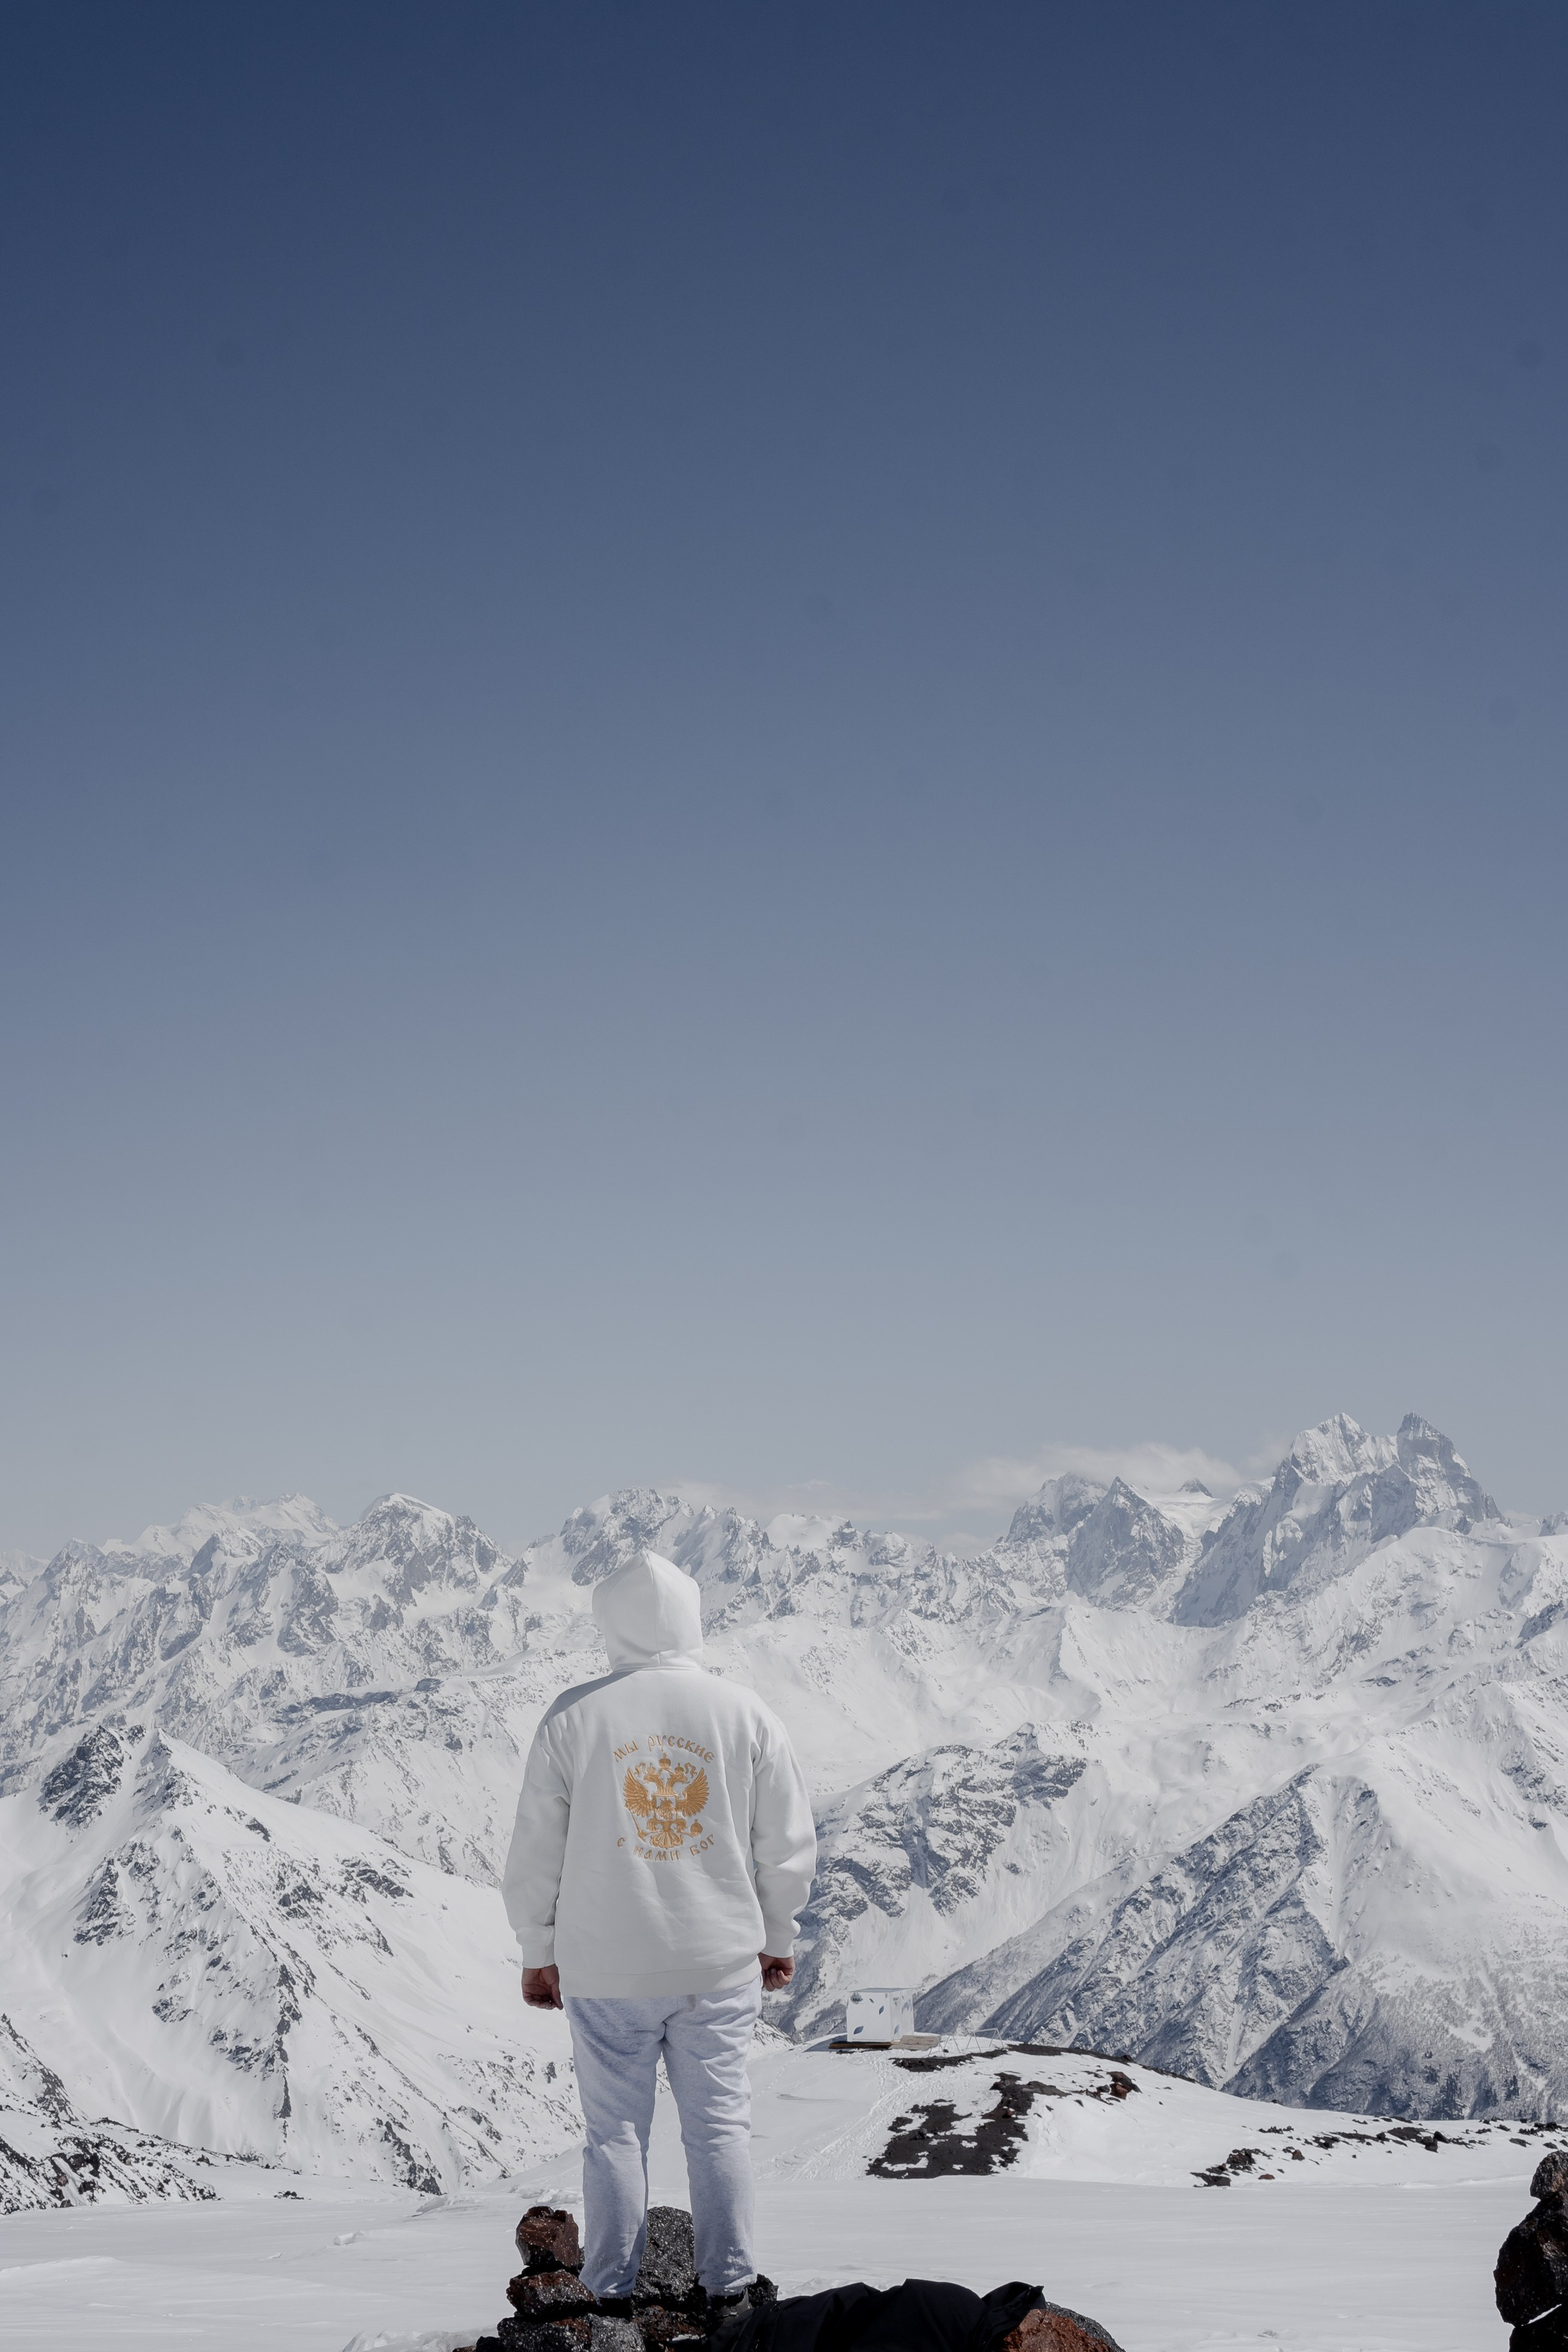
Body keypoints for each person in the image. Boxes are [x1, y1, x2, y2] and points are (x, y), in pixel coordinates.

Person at [503, 1548, 816, 2313]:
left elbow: (536, 1851)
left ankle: (607, 2292)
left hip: (604, 1966)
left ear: (608, 1621)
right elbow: (785, 1841)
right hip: (719, 1959)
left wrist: (538, 1953)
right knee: (719, 2129)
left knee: (614, 2133)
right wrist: (778, 1933)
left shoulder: (573, 1715)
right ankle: (731, 2288)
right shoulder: (744, 1711)